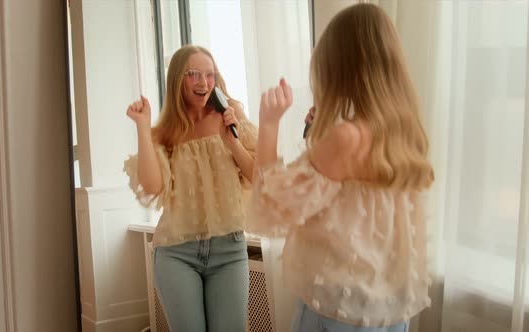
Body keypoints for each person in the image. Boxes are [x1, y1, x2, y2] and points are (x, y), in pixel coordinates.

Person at [247, 4, 434, 331]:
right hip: (388, 311)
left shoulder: (346, 138)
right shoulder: (405, 134)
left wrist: (268, 125)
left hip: (337, 310)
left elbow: (271, 207)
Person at [123, 45, 257, 331]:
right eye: (193, 74)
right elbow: (152, 186)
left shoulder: (232, 118)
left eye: (209, 75)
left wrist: (231, 141)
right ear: (177, 80)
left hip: (228, 250)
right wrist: (143, 128)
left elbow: (260, 178)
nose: (203, 82)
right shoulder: (165, 132)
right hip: (176, 253)